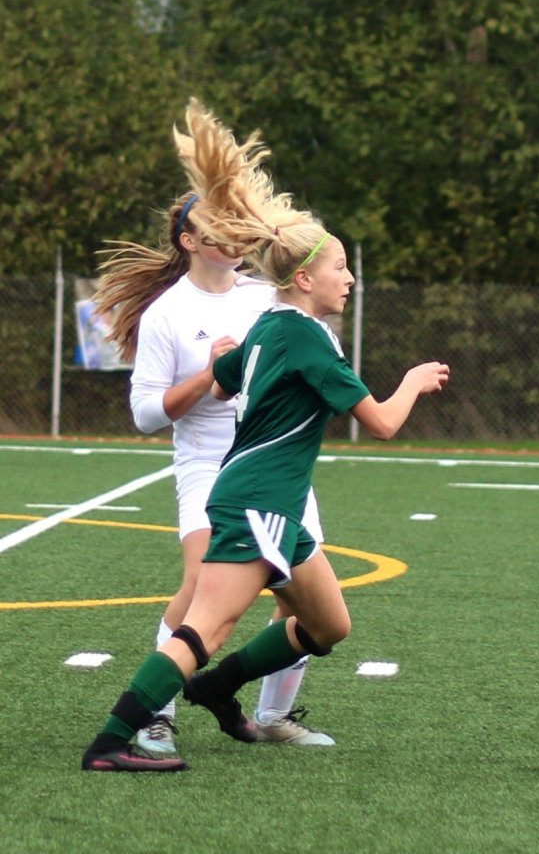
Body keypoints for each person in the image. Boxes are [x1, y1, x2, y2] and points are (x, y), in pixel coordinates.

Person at [82, 108, 450, 773]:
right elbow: (384, 423)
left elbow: (225, 378)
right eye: (341, 267)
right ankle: (113, 742)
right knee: (206, 626)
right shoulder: (304, 337)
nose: (350, 277)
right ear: (306, 278)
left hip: (272, 501)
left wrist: (228, 377)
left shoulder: (269, 322)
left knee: (329, 627)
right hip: (254, 502)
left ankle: (217, 690)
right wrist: (413, 380)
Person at [91, 102, 337, 753]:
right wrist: (209, 374)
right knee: (201, 586)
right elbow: (146, 414)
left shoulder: (265, 295)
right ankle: (155, 714)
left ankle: (275, 715)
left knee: (302, 607)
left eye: (233, 223)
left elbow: (310, 279)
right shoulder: (169, 314)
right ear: (188, 242)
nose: (228, 234)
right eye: (211, 227)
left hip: (273, 461)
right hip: (207, 463)